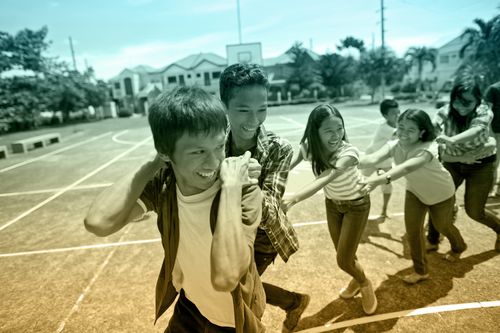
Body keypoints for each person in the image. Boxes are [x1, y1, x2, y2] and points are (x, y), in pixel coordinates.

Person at [84, 86, 266, 333]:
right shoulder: (165, 186)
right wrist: (155, 163)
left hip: (234, 319)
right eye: (198, 151)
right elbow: (98, 222)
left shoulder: (243, 190)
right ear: (166, 153)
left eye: (219, 146)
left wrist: (232, 187)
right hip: (191, 306)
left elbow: (226, 276)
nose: (214, 163)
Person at [219, 63, 309, 333]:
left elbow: (270, 207)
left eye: (262, 109)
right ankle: (294, 302)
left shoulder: (279, 148)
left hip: (262, 238)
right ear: (224, 105)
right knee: (229, 288)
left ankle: (289, 305)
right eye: (244, 110)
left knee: (234, 293)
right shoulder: (212, 143)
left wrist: (248, 185)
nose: (254, 119)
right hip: (225, 231)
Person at [283, 104, 377, 315]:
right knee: (345, 254)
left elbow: (328, 175)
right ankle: (357, 278)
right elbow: (287, 166)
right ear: (316, 131)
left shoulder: (349, 152)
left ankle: (364, 283)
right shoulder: (309, 147)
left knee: (343, 259)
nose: (336, 136)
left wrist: (293, 199)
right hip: (333, 205)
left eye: (340, 129)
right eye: (328, 131)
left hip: (357, 205)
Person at [359, 109, 468, 284]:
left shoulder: (429, 148)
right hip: (415, 192)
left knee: (443, 226)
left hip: (441, 193)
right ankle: (421, 271)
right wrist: (343, 159)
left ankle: (459, 246)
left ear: (422, 132)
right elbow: (371, 159)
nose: (403, 133)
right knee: (413, 232)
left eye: (410, 130)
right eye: (400, 127)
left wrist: (378, 180)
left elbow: (407, 168)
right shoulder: (395, 144)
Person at [425, 76, 500, 253]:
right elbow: (434, 123)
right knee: (436, 199)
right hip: (453, 163)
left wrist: (451, 140)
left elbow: (476, 130)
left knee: (475, 212)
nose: (461, 106)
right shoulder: (447, 110)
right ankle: (433, 239)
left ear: (478, 100)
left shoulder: (484, 111)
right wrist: (422, 129)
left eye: (467, 102)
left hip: (481, 165)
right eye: (457, 101)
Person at [361, 99, 400, 218]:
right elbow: (400, 134)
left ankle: (384, 211)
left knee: (387, 185)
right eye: (394, 114)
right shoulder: (385, 128)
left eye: (398, 112)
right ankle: (356, 208)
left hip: (385, 161)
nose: (397, 115)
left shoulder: (397, 125)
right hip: (371, 158)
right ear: (385, 115)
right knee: (363, 183)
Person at [485, 81, 500, 196]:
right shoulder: (493, 88)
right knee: (494, 161)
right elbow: (488, 110)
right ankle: (489, 190)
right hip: (496, 131)